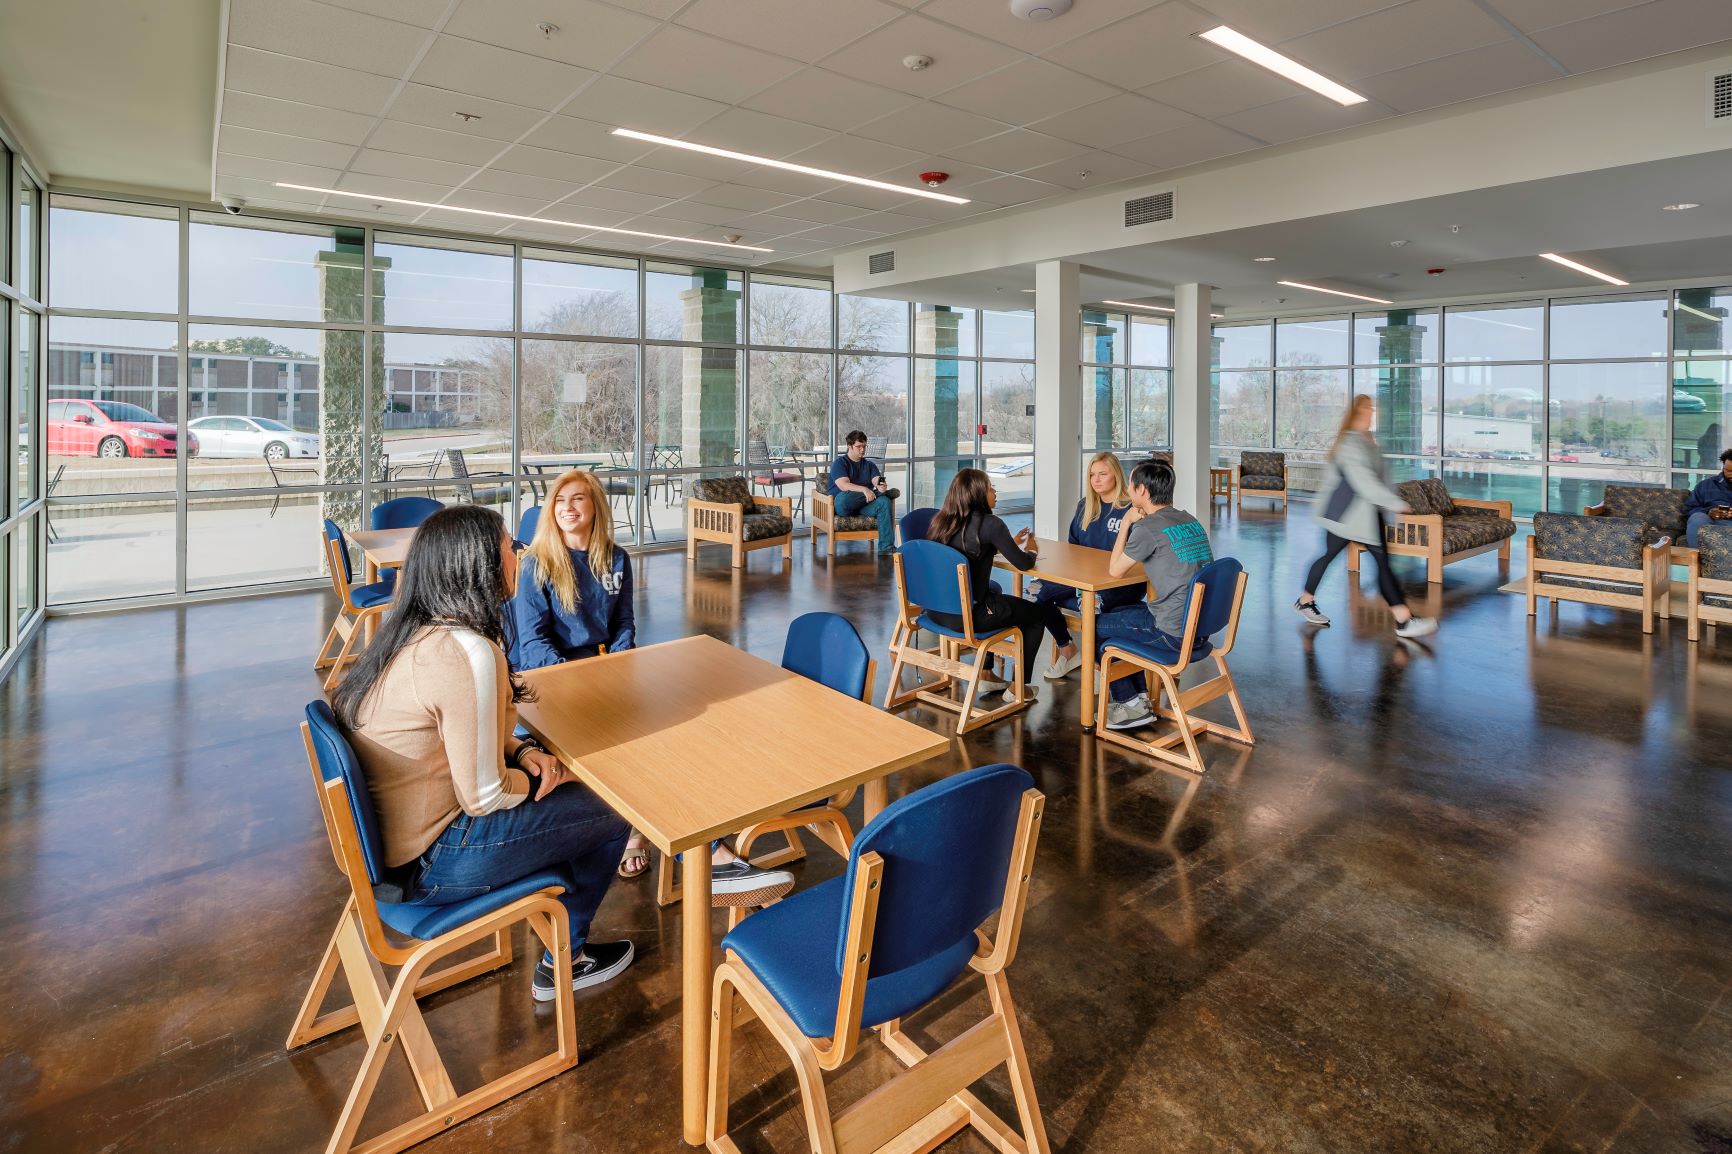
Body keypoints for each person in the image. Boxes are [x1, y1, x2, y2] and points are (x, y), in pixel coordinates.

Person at [330, 504, 634, 1002]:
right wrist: (539, 779)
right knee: (614, 804)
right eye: (508, 547)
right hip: (437, 863)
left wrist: (517, 749)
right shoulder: (468, 652)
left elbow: (445, 730)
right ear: (480, 564)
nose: (518, 554)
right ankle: (567, 957)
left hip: (393, 857)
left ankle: (560, 933)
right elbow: (486, 797)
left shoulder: (415, 632)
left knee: (571, 785)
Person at [510, 469, 792, 904]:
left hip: (607, 675)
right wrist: (587, 681)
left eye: (578, 499)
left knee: (669, 737)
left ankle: (651, 834)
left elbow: (623, 624)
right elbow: (532, 644)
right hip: (554, 684)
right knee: (632, 753)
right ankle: (705, 857)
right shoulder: (537, 564)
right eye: (560, 500)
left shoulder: (616, 558)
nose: (568, 507)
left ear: (596, 507)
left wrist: (620, 664)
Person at [1294, 394, 1438, 639]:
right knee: (1377, 564)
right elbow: (1363, 480)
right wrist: (1394, 502)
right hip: (1349, 516)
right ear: (1355, 413)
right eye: (1365, 409)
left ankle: (1305, 601)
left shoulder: (1368, 440)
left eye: (1371, 409)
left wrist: (1389, 505)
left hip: (1363, 515)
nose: (1370, 413)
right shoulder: (1349, 443)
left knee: (1337, 557)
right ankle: (1403, 620)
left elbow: (1382, 477)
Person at [1094, 458, 1215, 730]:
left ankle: (1129, 705)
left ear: (1143, 492)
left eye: (1131, 486)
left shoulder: (1147, 528)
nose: (1129, 491)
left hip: (1172, 633)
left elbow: (1115, 571)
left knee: (1094, 627)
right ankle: (1138, 699)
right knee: (1117, 614)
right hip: (1199, 629)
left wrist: (1126, 523)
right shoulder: (1189, 520)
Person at [924, 467, 1056, 699]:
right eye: (990, 488)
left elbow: (968, 550)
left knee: (994, 588)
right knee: (1036, 615)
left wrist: (1006, 542)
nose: (995, 492)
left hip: (936, 611)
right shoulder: (991, 524)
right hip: (969, 617)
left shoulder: (942, 521)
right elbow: (1023, 564)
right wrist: (1032, 550)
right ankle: (1018, 687)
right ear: (977, 494)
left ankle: (986, 674)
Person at [1035, 451, 1147, 681]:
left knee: (1089, 603)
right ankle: (1069, 651)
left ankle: (1099, 668)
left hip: (1120, 582)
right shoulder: (1085, 505)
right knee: (1032, 593)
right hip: (1084, 579)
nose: (1096, 479)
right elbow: (1072, 548)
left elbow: (1139, 557)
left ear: (1116, 475)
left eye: (1102, 474)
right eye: (1092, 474)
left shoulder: (1132, 509)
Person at [829, 430, 900, 554]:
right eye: (858, 447)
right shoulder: (840, 463)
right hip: (844, 506)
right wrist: (865, 489)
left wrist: (880, 486)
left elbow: (875, 480)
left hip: (864, 504)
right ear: (849, 446)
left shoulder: (869, 465)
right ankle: (882, 494)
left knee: (884, 502)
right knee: (844, 498)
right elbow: (843, 485)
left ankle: (886, 548)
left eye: (864, 446)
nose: (862, 450)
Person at [1684, 448, 1732, 547]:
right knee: (1697, 517)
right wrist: (1708, 512)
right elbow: (1689, 508)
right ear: (1723, 467)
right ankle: (1695, 558)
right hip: (1710, 522)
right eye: (1728, 471)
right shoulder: (1706, 485)